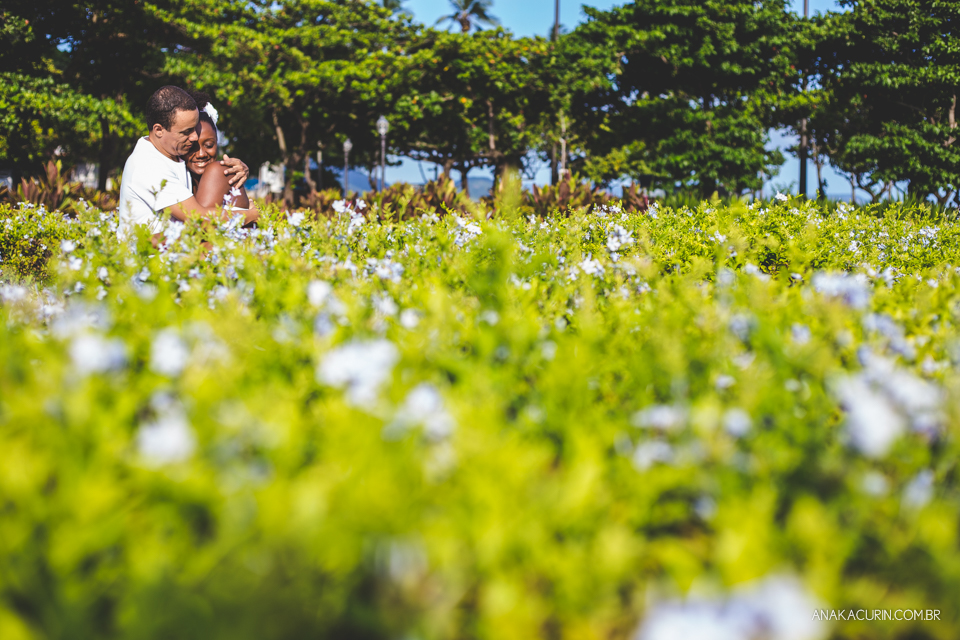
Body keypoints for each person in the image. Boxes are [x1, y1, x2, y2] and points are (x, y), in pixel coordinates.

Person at [117, 85, 256, 238]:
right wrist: (250, 215)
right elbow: (198, 219)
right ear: (158, 130)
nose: (194, 138)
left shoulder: (173, 155)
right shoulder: (149, 164)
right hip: (151, 258)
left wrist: (242, 168)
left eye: (194, 130)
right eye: (186, 132)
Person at [182, 91, 254, 214]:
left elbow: (198, 226)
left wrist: (253, 215)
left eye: (209, 145)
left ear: (217, 143)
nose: (201, 154)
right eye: (192, 146)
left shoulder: (219, 171)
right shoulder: (185, 178)